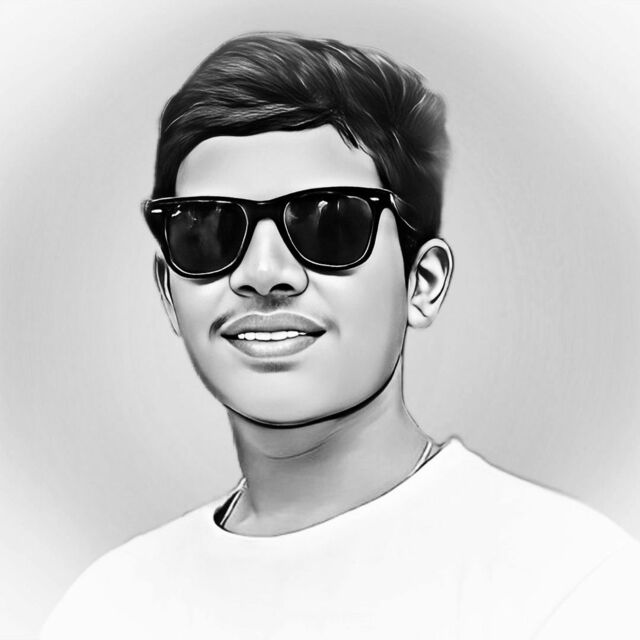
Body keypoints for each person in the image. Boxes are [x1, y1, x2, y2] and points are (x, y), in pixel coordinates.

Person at [42, 31, 640, 639]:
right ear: (169, 292)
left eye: (330, 223)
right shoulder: (105, 607)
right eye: (209, 230)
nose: (263, 274)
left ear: (423, 282)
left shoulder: (572, 581)